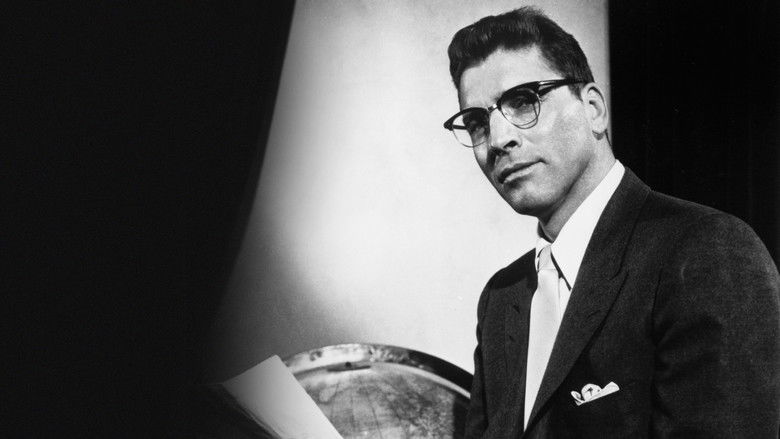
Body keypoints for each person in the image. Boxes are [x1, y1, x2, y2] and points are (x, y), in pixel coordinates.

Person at [442, 7, 780, 438]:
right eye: (477, 122)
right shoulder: (501, 298)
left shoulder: (706, 253)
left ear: (594, 109)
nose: (498, 139)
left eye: (524, 102)